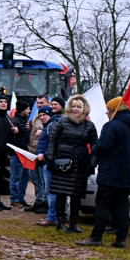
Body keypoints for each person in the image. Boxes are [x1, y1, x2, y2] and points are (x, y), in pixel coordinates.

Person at [76, 96, 130, 248]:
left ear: (115, 109)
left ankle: (96, 237)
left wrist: (95, 148)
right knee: (122, 206)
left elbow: (103, 147)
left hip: (110, 172)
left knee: (103, 205)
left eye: (109, 108)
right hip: (127, 173)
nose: (106, 111)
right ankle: (121, 238)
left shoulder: (111, 126)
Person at [46, 94, 97, 233]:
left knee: (76, 195)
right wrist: (50, 158)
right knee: (61, 193)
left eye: (78, 107)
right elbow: (53, 140)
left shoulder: (89, 125)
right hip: (63, 162)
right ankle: (60, 222)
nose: (75, 109)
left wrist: (92, 163)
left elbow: (94, 146)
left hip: (80, 163)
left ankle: (73, 223)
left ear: (84, 108)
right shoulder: (62, 122)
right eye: (73, 106)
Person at [25, 96, 51, 214]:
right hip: (33, 152)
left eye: (42, 102)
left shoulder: (49, 116)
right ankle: (38, 200)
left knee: (42, 180)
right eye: (38, 103)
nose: (39, 105)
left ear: (48, 102)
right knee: (35, 178)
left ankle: (44, 202)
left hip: (42, 153)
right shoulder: (37, 114)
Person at [33, 106, 57, 225]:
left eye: (44, 115)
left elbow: (54, 144)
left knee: (50, 191)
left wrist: (45, 154)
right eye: (40, 116)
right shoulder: (48, 127)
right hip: (45, 162)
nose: (42, 118)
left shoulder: (51, 127)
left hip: (49, 162)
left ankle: (52, 217)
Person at [8, 99, 32, 207]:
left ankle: (21, 197)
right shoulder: (15, 121)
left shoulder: (25, 121)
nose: (29, 111)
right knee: (16, 177)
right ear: (22, 110)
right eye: (27, 109)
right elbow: (12, 138)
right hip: (18, 154)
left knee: (25, 177)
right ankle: (14, 199)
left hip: (26, 154)